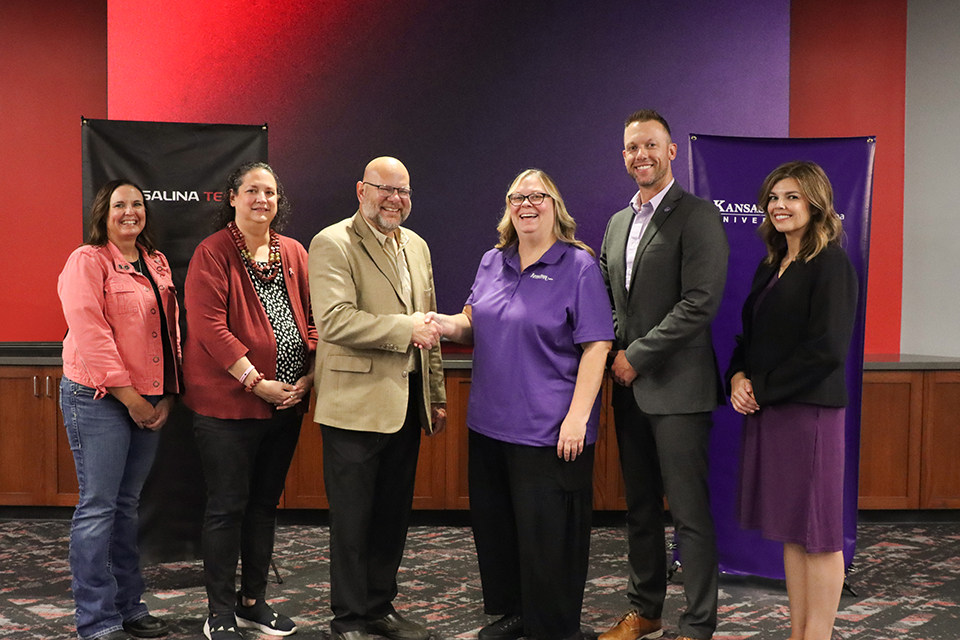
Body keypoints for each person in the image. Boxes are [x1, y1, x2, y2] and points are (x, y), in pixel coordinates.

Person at [426, 169, 613, 640]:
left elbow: (597, 345)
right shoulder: (493, 261)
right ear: (508, 206)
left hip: (550, 431)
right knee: (499, 531)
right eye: (517, 197)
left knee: (550, 539)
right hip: (490, 424)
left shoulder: (579, 265)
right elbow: (474, 322)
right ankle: (518, 613)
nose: (527, 204)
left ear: (555, 205)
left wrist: (577, 417)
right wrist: (444, 325)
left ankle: (554, 627)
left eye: (538, 196)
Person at [598, 110, 729, 640]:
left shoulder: (696, 215)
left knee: (690, 515)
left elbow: (700, 302)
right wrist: (613, 350)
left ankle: (698, 624)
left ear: (671, 151)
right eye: (632, 148)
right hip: (627, 389)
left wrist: (637, 355)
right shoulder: (616, 222)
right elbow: (610, 302)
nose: (641, 155)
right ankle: (645, 611)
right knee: (641, 509)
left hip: (678, 390)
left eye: (651, 145)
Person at [308, 156, 446, 640]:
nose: (394, 199)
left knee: (392, 516)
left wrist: (436, 394)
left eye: (403, 191)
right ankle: (347, 619)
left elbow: (428, 326)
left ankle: (378, 607)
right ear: (360, 191)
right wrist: (404, 329)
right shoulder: (332, 242)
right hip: (354, 406)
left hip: (406, 404)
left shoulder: (417, 246)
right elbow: (335, 321)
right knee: (352, 522)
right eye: (384, 188)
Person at [182, 162, 317, 640]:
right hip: (229, 408)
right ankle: (219, 611)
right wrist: (256, 382)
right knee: (227, 507)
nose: (263, 199)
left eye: (271, 192)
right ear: (232, 198)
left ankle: (253, 602)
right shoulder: (213, 252)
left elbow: (313, 320)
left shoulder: (295, 252)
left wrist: (307, 376)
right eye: (253, 191)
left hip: (285, 405)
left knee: (263, 506)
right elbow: (209, 329)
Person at [726, 161, 858, 640]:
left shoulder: (831, 264)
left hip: (810, 413)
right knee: (793, 530)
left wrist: (762, 386)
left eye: (792, 197)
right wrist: (738, 375)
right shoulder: (772, 264)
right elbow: (751, 337)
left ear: (815, 203)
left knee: (819, 535)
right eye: (774, 197)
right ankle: (798, 633)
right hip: (773, 411)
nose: (779, 206)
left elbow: (825, 350)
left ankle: (817, 635)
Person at [58, 179, 180, 640]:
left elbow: (170, 333)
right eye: (119, 205)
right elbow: (91, 334)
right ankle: (96, 619)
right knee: (98, 508)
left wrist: (167, 392)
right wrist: (131, 398)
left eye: (137, 204)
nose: (130, 211)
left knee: (126, 508)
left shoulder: (156, 262)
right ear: (102, 212)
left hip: (150, 400)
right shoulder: (87, 261)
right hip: (98, 400)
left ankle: (129, 607)